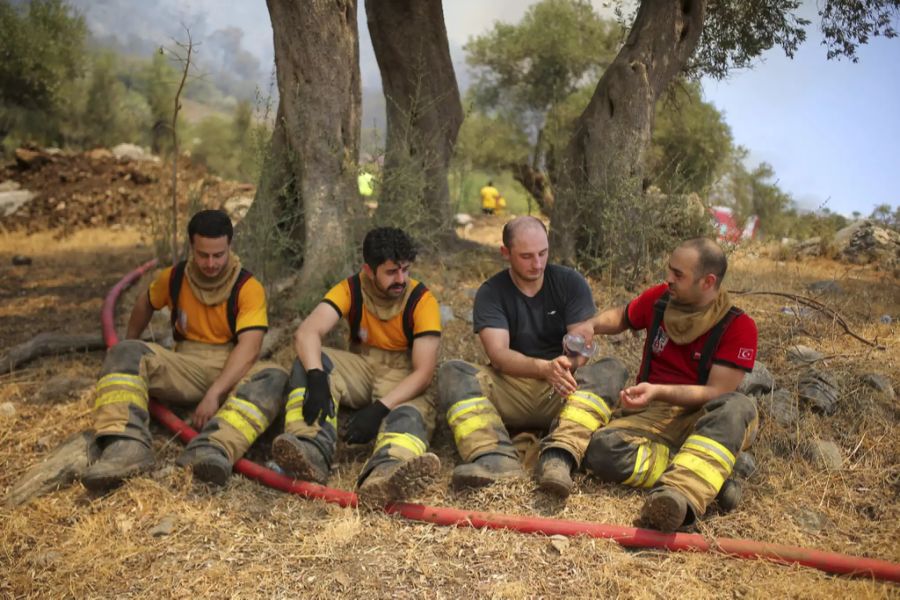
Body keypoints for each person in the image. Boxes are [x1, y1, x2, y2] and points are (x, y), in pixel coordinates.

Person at [83, 210, 288, 491]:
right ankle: (124, 447)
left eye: (219, 255)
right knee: (126, 351)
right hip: (184, 364)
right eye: (203, 255)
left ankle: (212, 448)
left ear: (230, 246)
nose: (211, 263)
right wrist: (131, 343)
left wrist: (215, 393)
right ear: (192, 248)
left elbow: (250, 348)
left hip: (231, 366)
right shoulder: (175, 277)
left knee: (274, 377)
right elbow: (145, 303)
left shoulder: (248, 287)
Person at [438, 216, 627, 497]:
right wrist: (543, 368)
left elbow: (581, 343)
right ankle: (493, 456)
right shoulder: (492, 292)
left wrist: (569, 363)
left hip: (563, 388)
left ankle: (559, 456)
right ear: (505, 253)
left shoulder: (569, 282)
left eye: (543, 253)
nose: (537, 264)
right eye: (526, 256)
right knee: (452, 372)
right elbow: (499, 355)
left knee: (612, 369)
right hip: (512, 384)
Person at [582, 237, 758, 532]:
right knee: (600, 449)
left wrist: (657, 390)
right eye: (669, 270)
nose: (668, 279)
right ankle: (708, 476)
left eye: (678, 275)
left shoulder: (739, 327)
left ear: (707, 281)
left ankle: (679, 499)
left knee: (737, 406)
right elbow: (623, 316)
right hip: (654, 413)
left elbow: (717, 393)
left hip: (704, 418)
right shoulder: (660, 299)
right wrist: (591, 326)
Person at [272, 227, 442, 506]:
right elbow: (306, 333)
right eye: (391, 272)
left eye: (405, 270)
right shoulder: (351, 288)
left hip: (404, 377)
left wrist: (380, 409)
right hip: (361, 366)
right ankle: (310, 448)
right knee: (310, 359)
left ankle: (386, 473)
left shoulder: (422, 300)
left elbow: (423, 373)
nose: (401, 279)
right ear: (369, 270)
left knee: (410, 415)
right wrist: (316, 377)